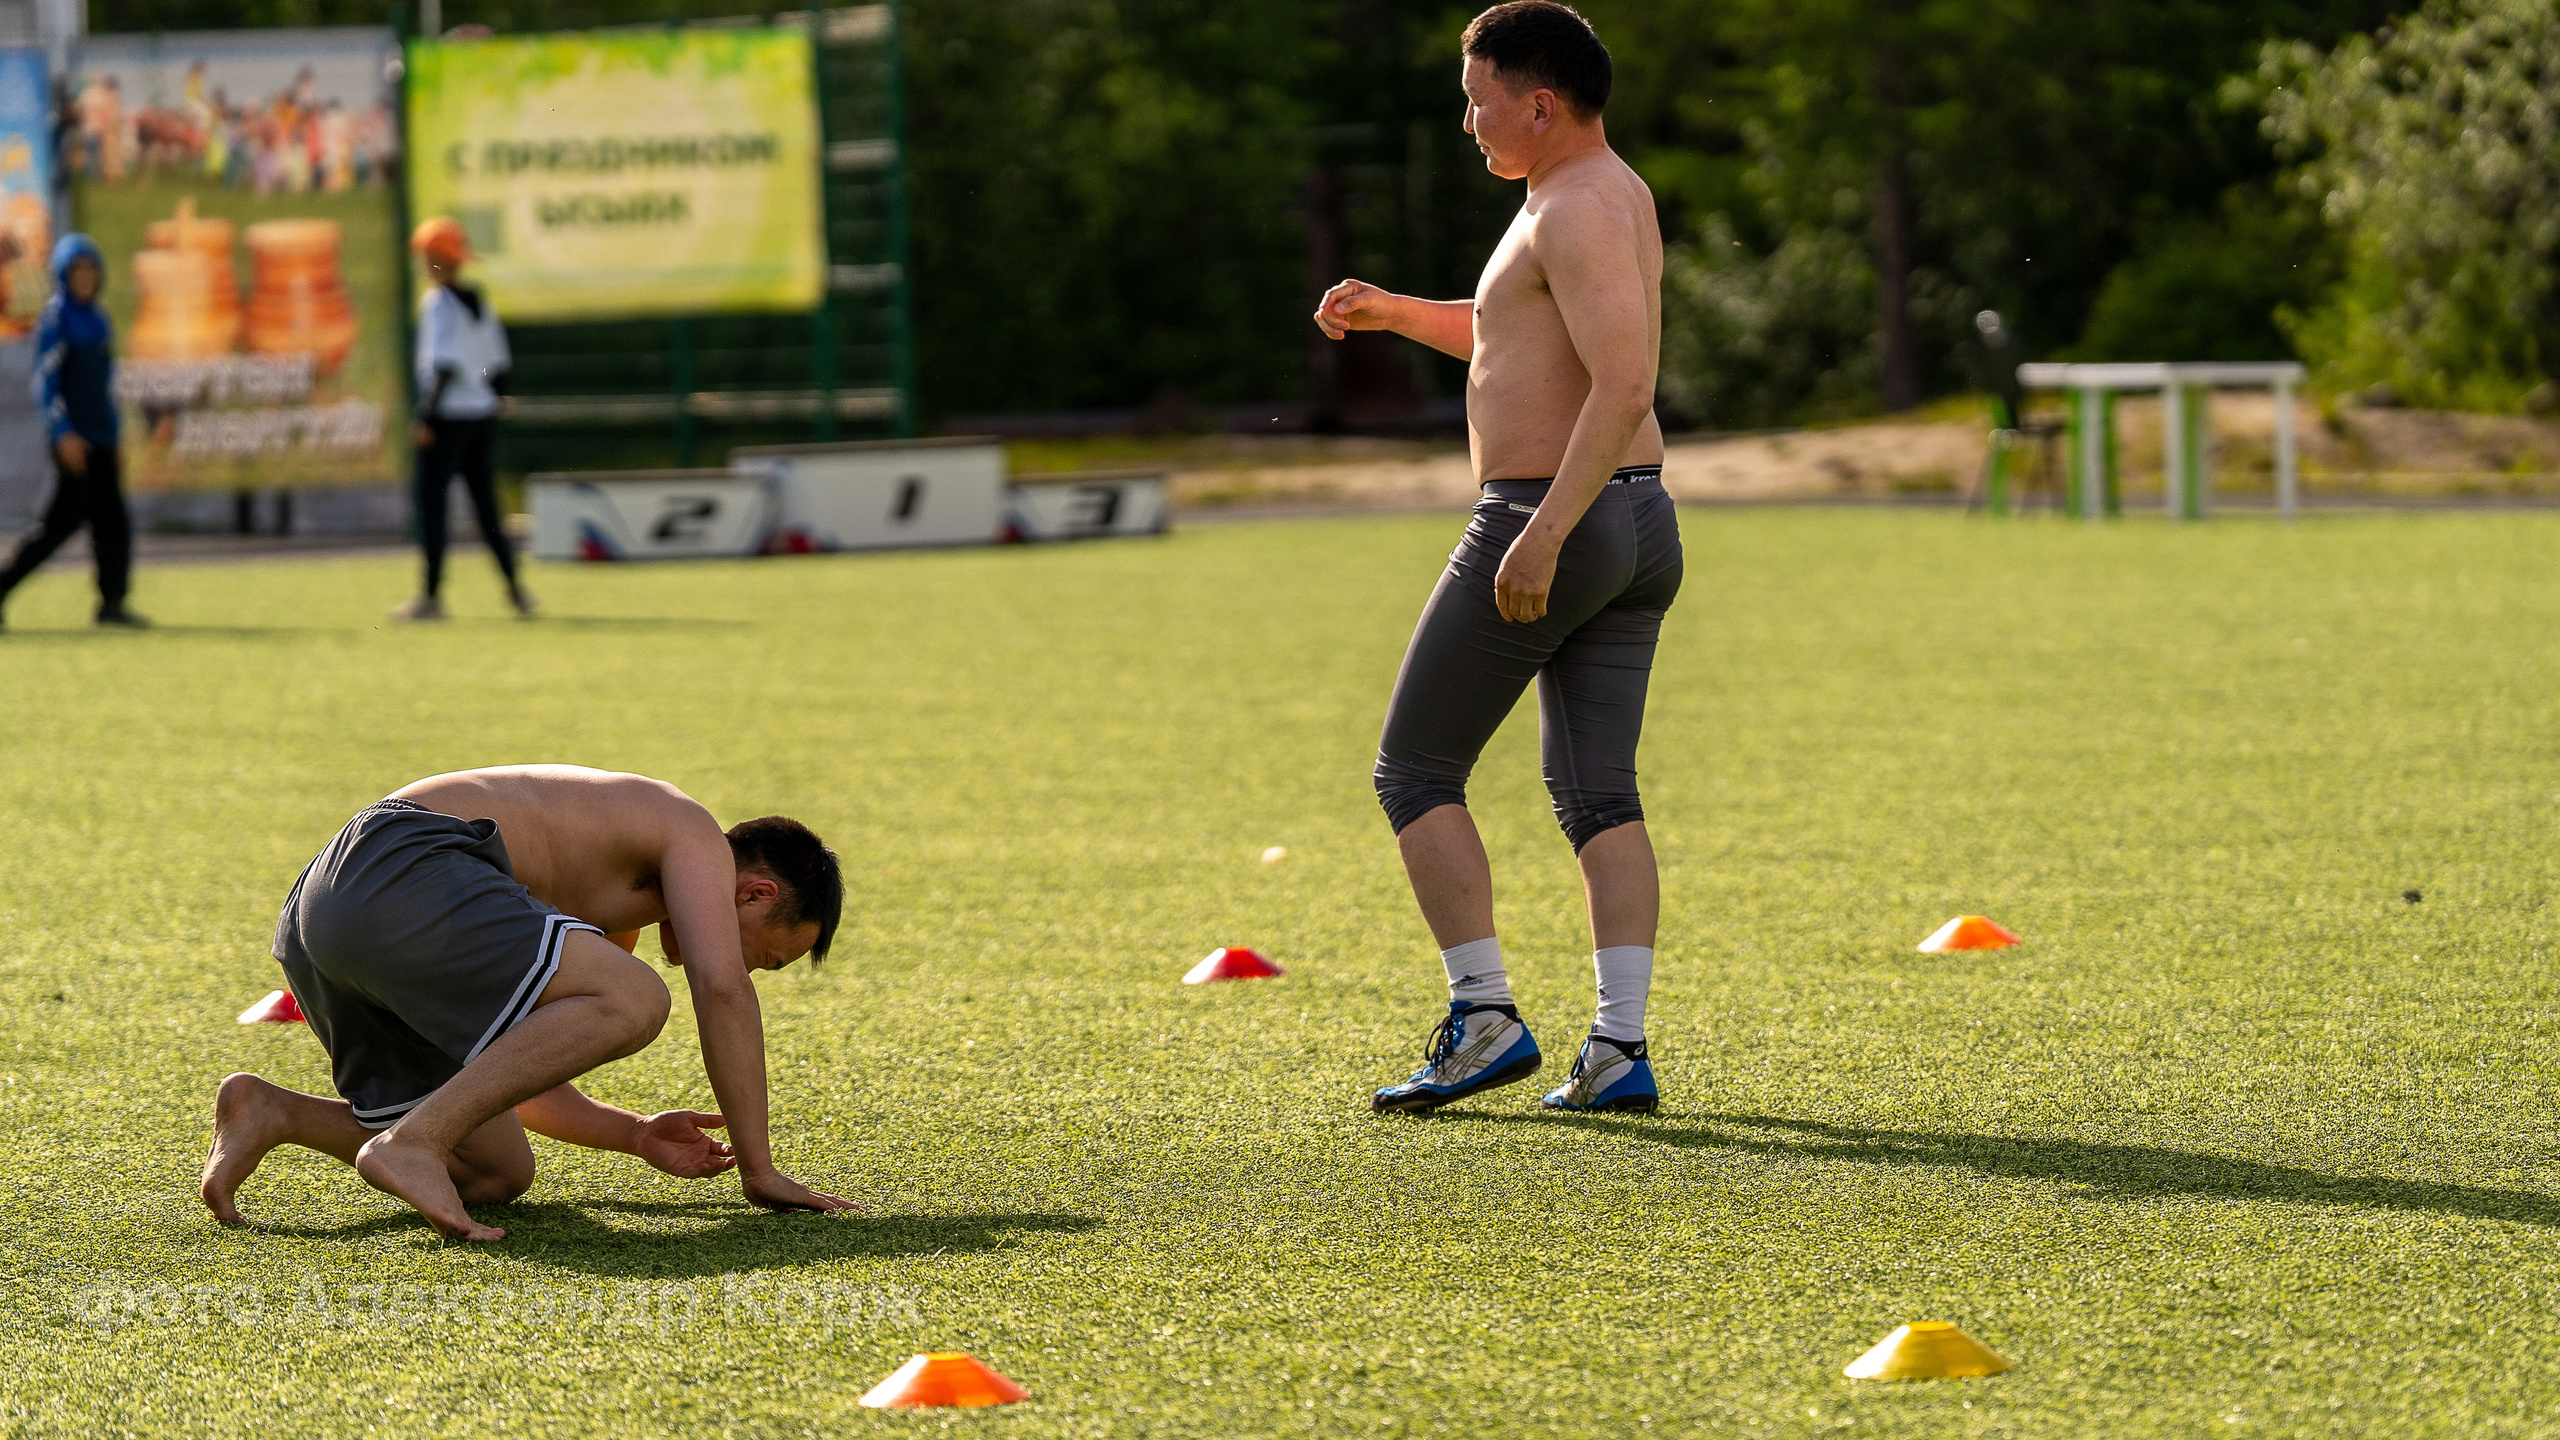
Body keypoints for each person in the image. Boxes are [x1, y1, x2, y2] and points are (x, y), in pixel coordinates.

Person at [1314, 1, 1678, 1116]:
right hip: (1638, 522)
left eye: (1478, 102)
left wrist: (1545, 530)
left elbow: (1624, 383)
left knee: (1413, 772)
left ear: (1540, 103)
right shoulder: (1601, 193)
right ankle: (1617, 1049)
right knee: (1596, 793)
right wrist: (1396, 314)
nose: (1468, 122)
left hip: (1555, 518)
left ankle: (1484, 1019)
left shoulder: (1571, 207)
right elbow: (1516, 333)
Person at [200, 765, 855, 1240]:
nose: (748, 969)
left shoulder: (594, 930)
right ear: (756, 894)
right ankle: (412, 1141)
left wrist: (633, 1133)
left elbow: (516, 1072)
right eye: (769, 957)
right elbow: (721, 989)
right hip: (402, 864)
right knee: (638, 997)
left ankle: (274, 1112)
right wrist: (759, 1170)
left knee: (493, 1173)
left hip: (323, 915)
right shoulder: (693, 832)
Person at [0, 234, 144, 630]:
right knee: (59, 526)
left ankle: (112, 603)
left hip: (101, 439)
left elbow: (105, 386)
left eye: (90, 270)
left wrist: (115, 435)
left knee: (113, 523)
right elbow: (45, 382)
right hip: (74, 442)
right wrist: (62, 433)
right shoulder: (56, 318)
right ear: (63, 274)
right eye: (77, 270)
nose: (85, 277)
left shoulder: (98, 319)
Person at [396, 216, 532, 621]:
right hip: (480, 416)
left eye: (428, 257)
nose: (424, 264)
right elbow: (497, 365)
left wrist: (425, 417)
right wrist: (490, 392)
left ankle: (431, 597)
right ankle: (516, 590)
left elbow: (443, 365)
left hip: (447, 418)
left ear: (442, 260)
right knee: (486, 507)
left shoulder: (438, 304)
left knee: (432, 506)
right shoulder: (481, 304)